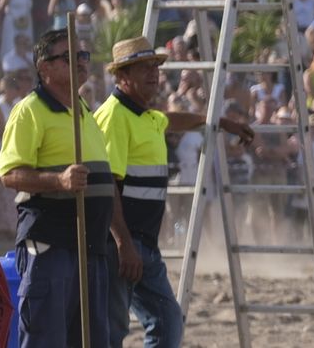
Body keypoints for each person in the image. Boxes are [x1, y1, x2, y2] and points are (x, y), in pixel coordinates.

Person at [95, 36, 254, 348]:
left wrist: (220, 122)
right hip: (121, 245)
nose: (154, 74)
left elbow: (168, 120)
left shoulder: (147, 116)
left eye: (155, 67)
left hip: (143, 245)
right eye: (144, 68)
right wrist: (123, 243)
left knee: (166, 322)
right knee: (113, 331)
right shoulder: (114, 116)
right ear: (123, 76)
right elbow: (106, 186)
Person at [0, 28, 116, 347]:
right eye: (68, 57)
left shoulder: (85, 112)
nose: (80, 62)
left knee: (89, 341)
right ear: (44, 67)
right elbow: (10, 173)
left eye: (83, 55)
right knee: (45, 339)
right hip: (51, 244)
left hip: (91, 247)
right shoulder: (30, 111)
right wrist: (59, 181)